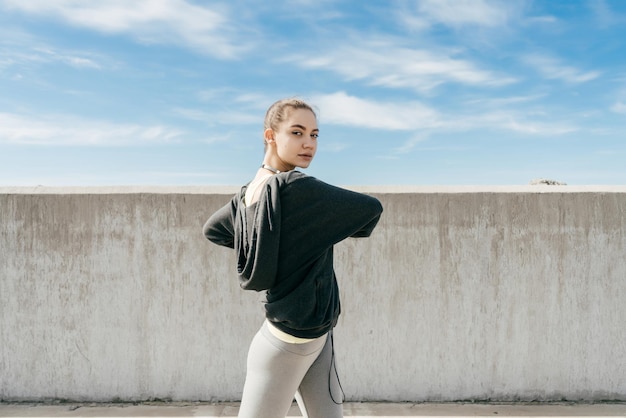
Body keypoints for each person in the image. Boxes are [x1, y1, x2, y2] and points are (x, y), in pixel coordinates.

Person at [203, 98, 383, 418]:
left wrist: (279, 246)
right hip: (286, 345)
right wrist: (307, 236)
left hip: (316, 337)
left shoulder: (248, 193)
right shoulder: (295, 188)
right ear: (271, 136)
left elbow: (215, 230)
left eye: (314, 135)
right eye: (297, 132)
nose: (308, 144)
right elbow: (370, 210)